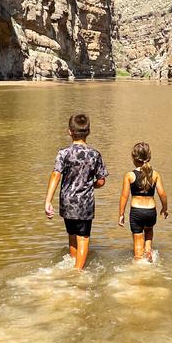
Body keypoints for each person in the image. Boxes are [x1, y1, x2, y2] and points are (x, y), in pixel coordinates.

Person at [44, 113, 108, 270]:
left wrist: (48, 200)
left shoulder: (63, 153)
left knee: (72, 236)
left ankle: (73, 263)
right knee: (83, 239)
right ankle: (78, 272)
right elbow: (101, 181)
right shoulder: (95, 155)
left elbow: (56, 175)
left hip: (66, 202)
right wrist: (91, 185)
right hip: (85, 203)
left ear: (70, 132)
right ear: (88, 132)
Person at [118, 142, 168, 262]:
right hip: (151, 211)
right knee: (149, 230)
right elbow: (162, 193)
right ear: (149, 157)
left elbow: (124, 196)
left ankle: (139, 261)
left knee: (137, 243)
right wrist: (165, 208)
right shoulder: (155, 174)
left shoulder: (130, 176)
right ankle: (149, 251)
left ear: (134, 159)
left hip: (136, 212)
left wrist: (121, 214)